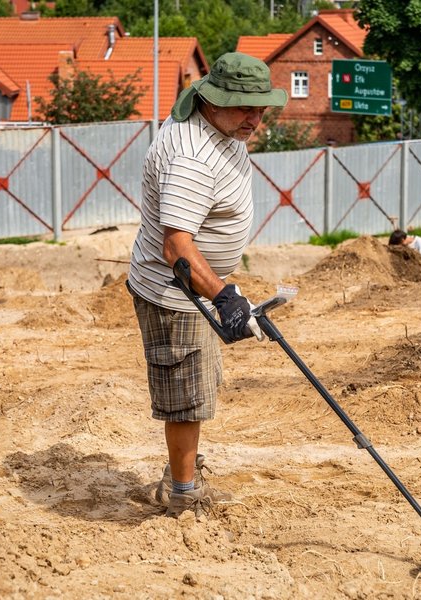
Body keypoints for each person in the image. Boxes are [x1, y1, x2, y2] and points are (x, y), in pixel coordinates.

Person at [127, 52, 288, 518]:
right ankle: (183, 492)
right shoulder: (191, 158)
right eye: (244, 108)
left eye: (261, 109)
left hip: (197, 289)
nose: (255, 119)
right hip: (175, 293)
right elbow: (176, 247)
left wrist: (222, 290)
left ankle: (184, 469)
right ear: (213, 101)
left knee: (199, 382)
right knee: (185, 395)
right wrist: (223, 295)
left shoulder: (213, 120)